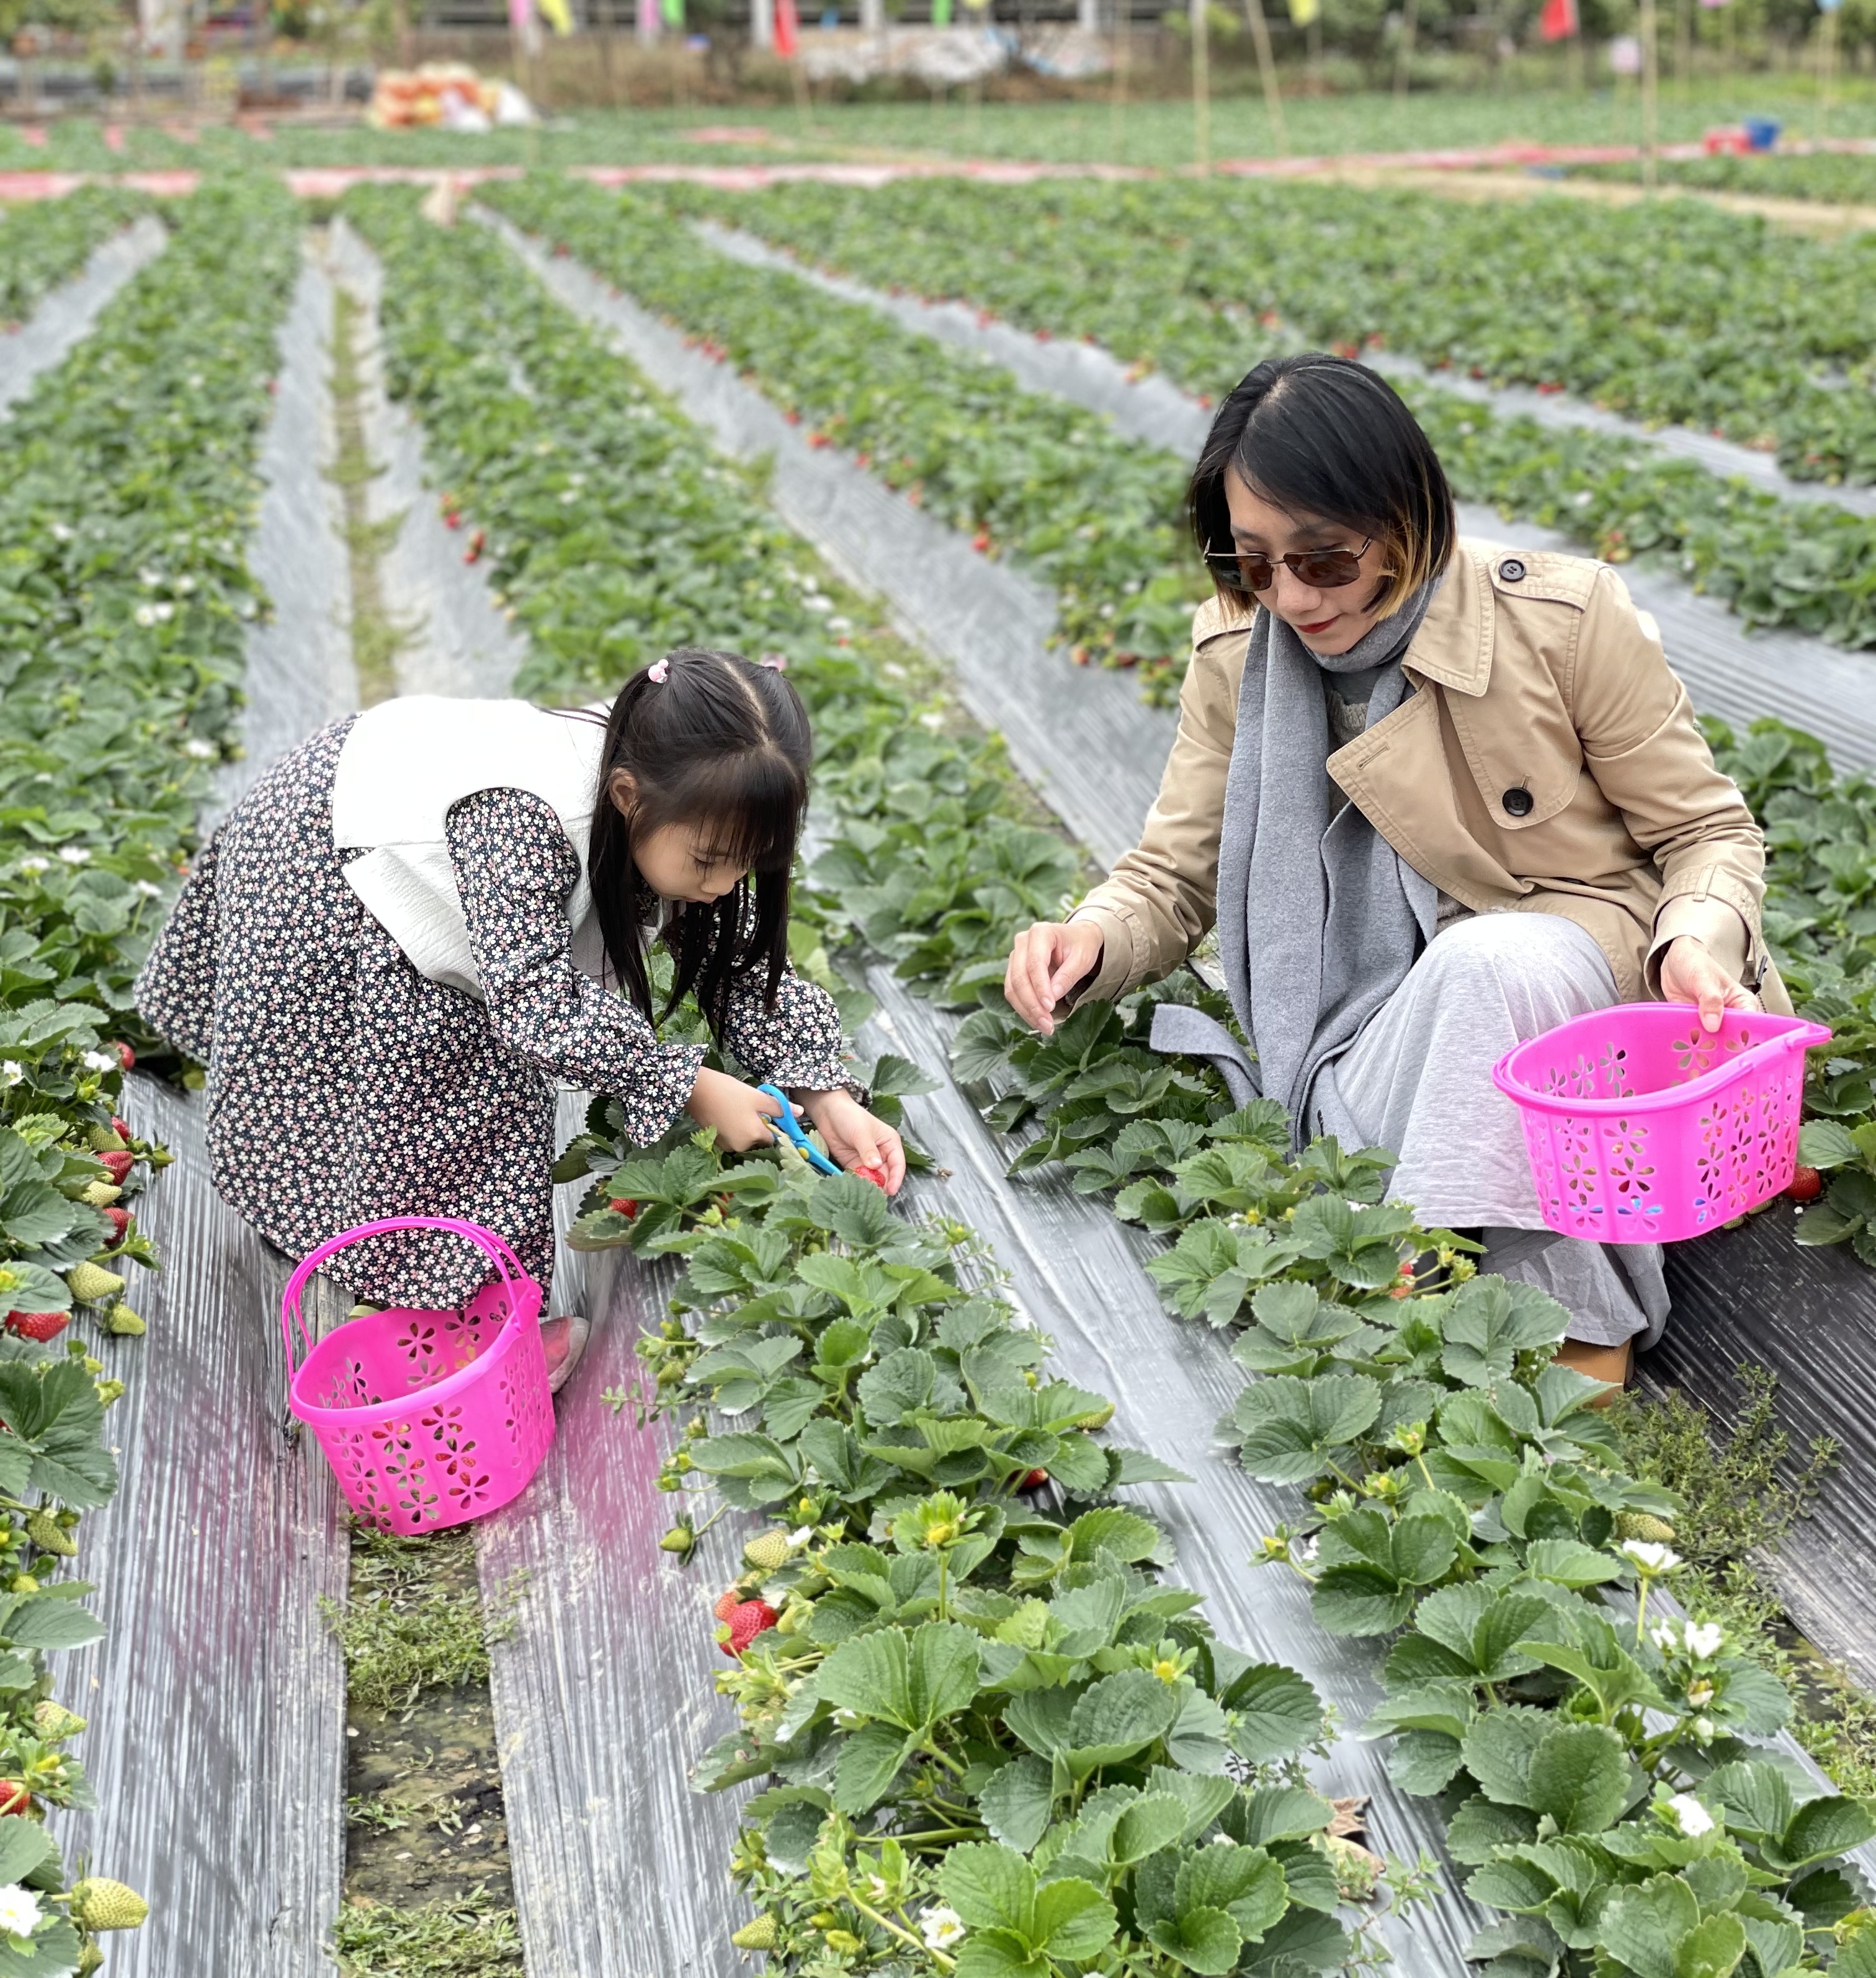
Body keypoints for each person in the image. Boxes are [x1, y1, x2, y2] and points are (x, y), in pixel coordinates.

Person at [1004, 356, 1785, 1392]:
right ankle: (1451, 1323)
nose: (1287, 596)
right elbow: (1172, 870)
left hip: (1580, 1032)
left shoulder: (1559, 623)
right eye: (1251, 563)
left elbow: (1706, 832)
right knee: (1460, 986)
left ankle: (1524, 1322)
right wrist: (1092, 937)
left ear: (1406, 514)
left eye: (1323, 561)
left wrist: (1692, 938)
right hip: (1369, 1039)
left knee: (1488, 964)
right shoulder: (1237, 653)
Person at [137, 649, 904, 1389]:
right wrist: (688, 1083)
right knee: (454, 1078)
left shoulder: (691, 786)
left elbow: (734, 955)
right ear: (629, 797)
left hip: (404, 805)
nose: (726, 883)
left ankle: (440, 1283)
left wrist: (821, 1090)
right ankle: (451, 1319)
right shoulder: (531, 822)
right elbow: (534, 1006)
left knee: (483, 1061)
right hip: (331, 850)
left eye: (750, 863)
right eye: (708, 863)